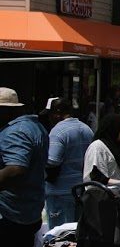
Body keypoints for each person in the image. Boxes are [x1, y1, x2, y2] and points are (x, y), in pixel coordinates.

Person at [0, 88, 48, 247]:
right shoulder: (35, 127)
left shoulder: (14, 131)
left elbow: (16, 167)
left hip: (11, 210)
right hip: (28, 207)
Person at [44, 98, 93, 229]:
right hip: (80, 190)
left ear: (58, 113)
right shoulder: (86, 129)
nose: (49, 118)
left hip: (60, 192)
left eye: (50, 114)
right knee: (75, 235)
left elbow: (52, 161)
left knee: (60, 237)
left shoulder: (58, 131)